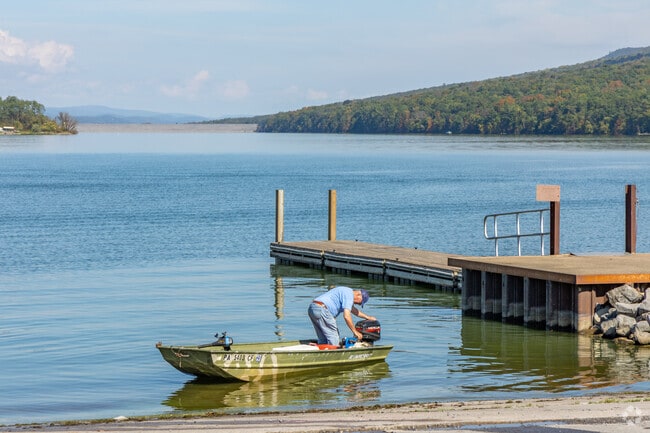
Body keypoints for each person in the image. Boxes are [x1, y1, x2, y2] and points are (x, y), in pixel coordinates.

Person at [308, 285, 377, 346]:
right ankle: (333, 355)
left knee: (324, 338)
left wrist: (368, 317)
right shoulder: (349, 295)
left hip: (313, 308)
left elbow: (354, 310)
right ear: (359, 295)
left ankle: (320, 349)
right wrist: (355, 332)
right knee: (334, 338)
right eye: (360, 302)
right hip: (322, 309)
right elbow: (347, 316)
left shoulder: (346, 291)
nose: (358, 304)